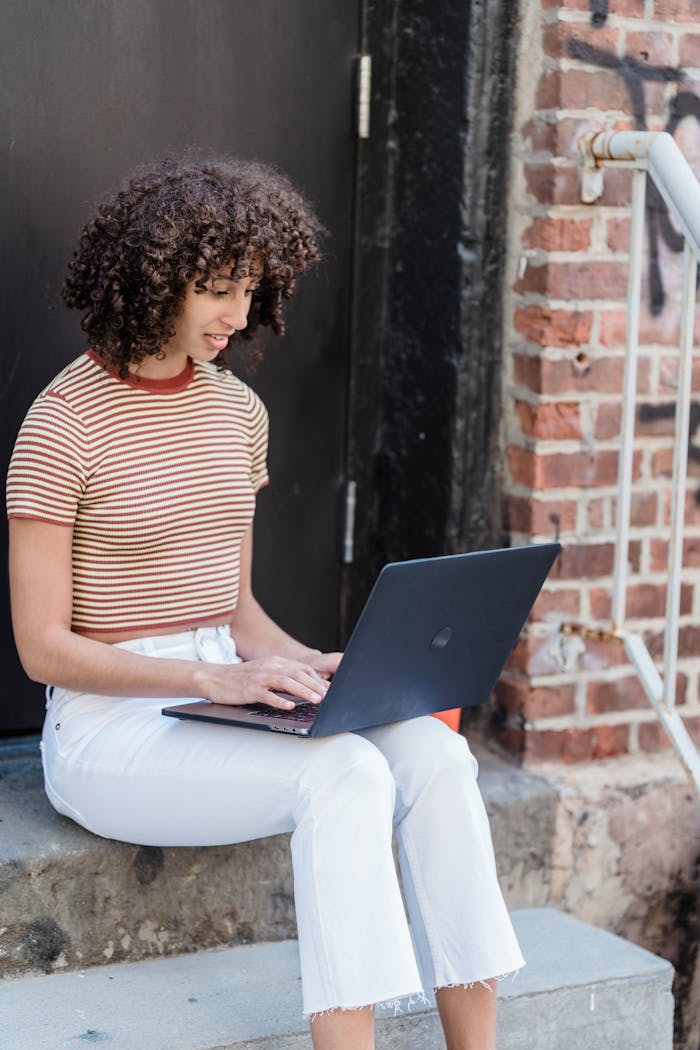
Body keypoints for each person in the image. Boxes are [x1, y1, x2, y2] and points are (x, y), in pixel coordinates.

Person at [6, 157, 524, 1050]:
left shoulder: (238, 413)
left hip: (222, 692)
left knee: (435, 756)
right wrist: (212, 684)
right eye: (217, 289)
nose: (239, 317)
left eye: (251, 290)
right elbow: (42, 649)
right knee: (347, 774)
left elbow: (236, 611)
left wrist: (314, 666)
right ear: (154, 276)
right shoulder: (63, 423)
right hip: (110, 728)